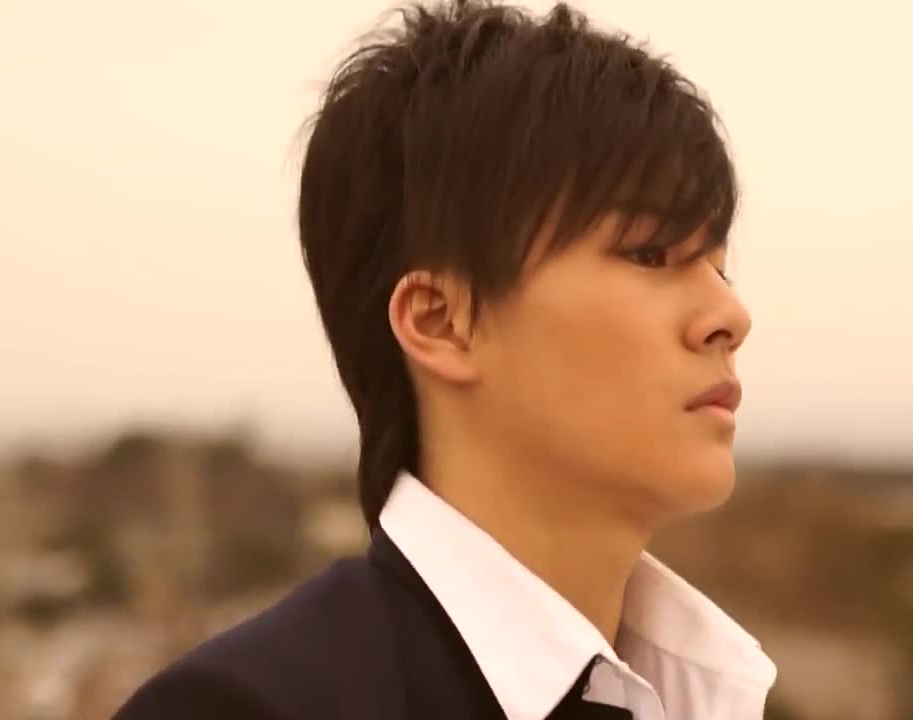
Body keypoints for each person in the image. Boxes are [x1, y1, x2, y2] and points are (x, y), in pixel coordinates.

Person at [113, 1, 776, 718]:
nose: (730, 316)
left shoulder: (708, 695)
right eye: (650, 254)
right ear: (442, 322)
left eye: (719, 267)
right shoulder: (247, 707)